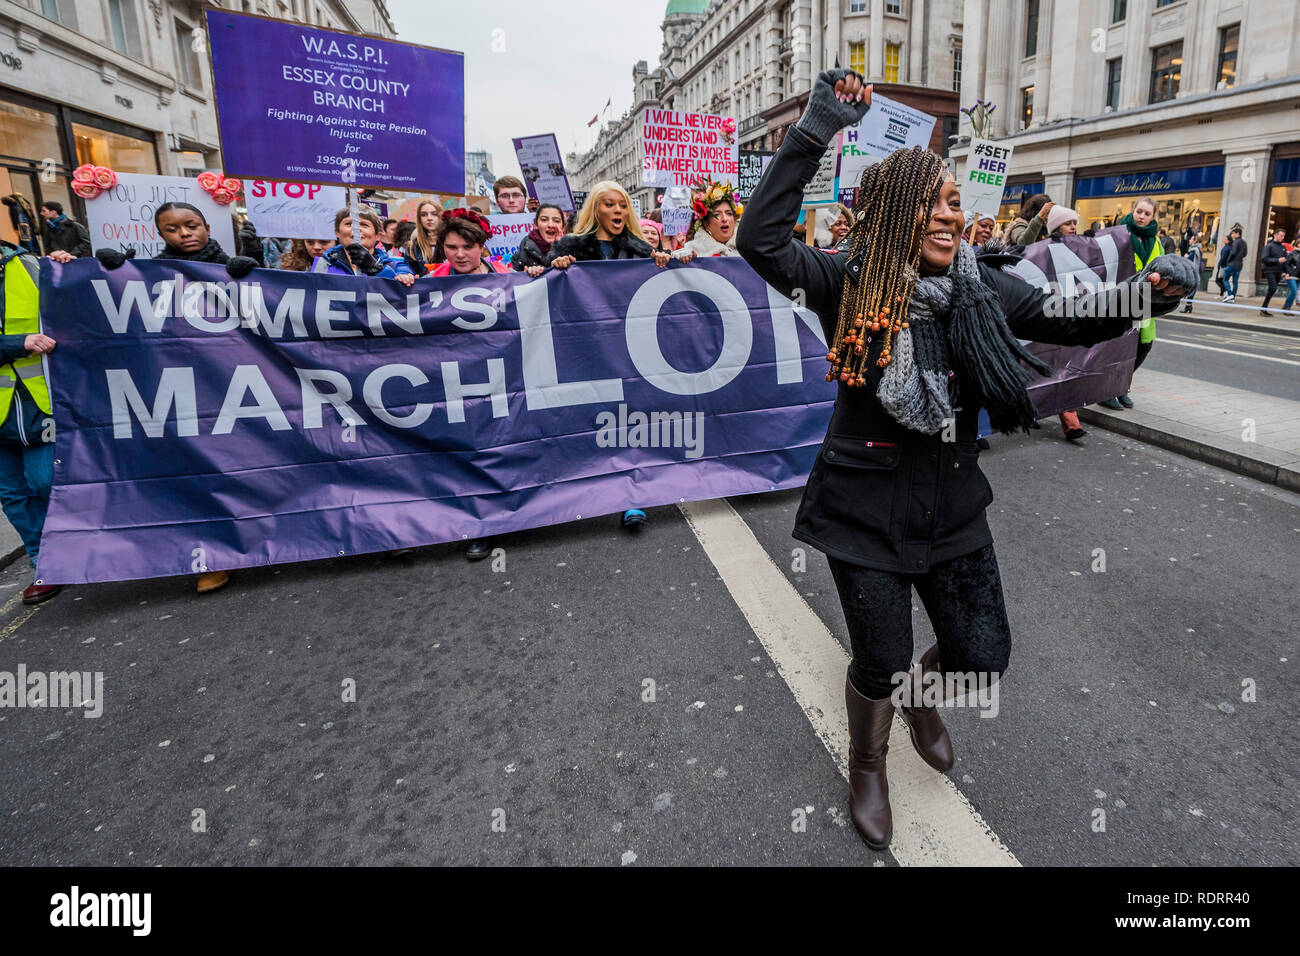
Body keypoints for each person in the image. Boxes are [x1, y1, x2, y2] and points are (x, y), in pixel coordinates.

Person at [737, 68, 1195, 852]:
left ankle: (924, 696)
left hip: (953, 509)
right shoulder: (848, 279)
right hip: (862, 513)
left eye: (956, 201)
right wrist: (815, 129)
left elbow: (1070, 318)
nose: (954, 213)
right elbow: (761, 242)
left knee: (982, 656)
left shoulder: (983, 287)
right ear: (894, 212)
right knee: (876, 659)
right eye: (938, 201)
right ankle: (869, 762)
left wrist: (1145, 295)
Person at [92, 201, 259, 593]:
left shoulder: (233, 267)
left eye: (192, 225)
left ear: (205, 226)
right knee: (200, 473)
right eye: (172, 229)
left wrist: (253, 272)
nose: (184, 234)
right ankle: (214, 557)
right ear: (160, 233)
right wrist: (105, 273)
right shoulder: (148, 276)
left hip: (239, 383)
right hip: (189, 390)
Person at [546, 182, 672, 531]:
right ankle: (589, 489)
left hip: (629, 349)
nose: (617, 211)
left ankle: (633, 497)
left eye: (622, 205)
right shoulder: (569, 247)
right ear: (595, 210)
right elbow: (537, 286)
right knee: (593, 422)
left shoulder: (638, 248)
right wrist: (554, 268)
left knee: (630, 421)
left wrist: (661, 260)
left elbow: (659, 285)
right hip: (585, 349)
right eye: (608, 205)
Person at [0, 239, 60, 604]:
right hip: (3, 415)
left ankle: (78, 550)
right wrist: (17, 343)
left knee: (46, 481)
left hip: (43, 404)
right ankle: (46, 565)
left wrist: (66, 267)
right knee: (13, 495)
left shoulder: (30, 266)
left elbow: (73, 304)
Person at [1099, 196, 1164, 410]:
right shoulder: (1119, 234)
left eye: (1147, 214)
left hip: (1145, 300)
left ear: (1153, 217)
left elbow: (1161, 265)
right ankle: (1106, 391)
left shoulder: (1155, 240)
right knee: (1117, 347)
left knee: (1143, 346)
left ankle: (1122, 386)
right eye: (1139, 212)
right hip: (1121, 297)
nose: (1141, 216)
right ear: (1132, 211)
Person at [1046, 206, 1086, 440]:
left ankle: (1071, 421)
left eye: (1074, 222)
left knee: (1066, 365)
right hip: (1047, 314)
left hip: (1072, 314)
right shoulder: (1042, 251)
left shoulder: (1080, 248)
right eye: (1067, 222)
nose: (1073, 226)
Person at [312, 208, 416, 286]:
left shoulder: (397, 264)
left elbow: (402, 294)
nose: (357, 229)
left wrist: (375, 269)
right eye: (349, 224)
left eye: (364, 225)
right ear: (337, 232)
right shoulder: (322, 263)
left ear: (378, 235)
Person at [428, 208, 512, 278]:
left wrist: (525, 279)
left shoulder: (507, 273)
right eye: (452, 247)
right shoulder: (432, 280)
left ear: (481, 247)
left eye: (467, 247)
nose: (460, 255)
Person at [674, 180, 743, 260]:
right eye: (717, 214)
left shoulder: (748, 247)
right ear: (706, 223)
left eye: (729, 213)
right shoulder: (691, 251)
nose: (724, 219)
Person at [512, 203, 568, 276]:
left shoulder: (573, 252)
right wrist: (526, 275)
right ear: (536, 224)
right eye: (544, 220)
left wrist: (560, 248)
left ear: (563, 227)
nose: (550, 225)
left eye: (556, 221)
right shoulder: (520, 254)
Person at [404, 199, 442, 275]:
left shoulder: (451, 243)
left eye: (434, 214)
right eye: (424, 215)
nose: (429, 218)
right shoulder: (412, 247)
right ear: (419, 219)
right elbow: (408, 270)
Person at [1260, 227, 1289, 317]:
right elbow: (1264, 259)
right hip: (1269, 270)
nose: (1282, 237)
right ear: (1275, 235)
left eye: (1283, 236)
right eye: (1281, 235)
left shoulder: (1283, 247)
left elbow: (1285, 261)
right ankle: (1263, 308)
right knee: (1273, 288)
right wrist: (1277, 260)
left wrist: (1287, 272)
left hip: (1278, 271)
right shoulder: (1269, 246)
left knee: (1272, 289)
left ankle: (1263, 309)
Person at [1220, 226, 1247, 303]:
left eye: (1233, 233)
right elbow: (1245, 254)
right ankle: (1233, 297)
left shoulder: (1236, 242)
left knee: (1225, 279)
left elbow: (1233, 252)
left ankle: (1229, 294)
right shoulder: (1244, 242)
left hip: (1232, 264)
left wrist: (1229, 260)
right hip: (1239, 264)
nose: (1232, 235)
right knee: (1235, 281)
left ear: (1237, 233)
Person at [1182, 232, 1203, 313]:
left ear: (1195, 241)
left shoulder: (1194, 250)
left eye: (1191, 239)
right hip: (1194, 272)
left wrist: (1186, 257)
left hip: (1193, 272)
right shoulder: (1196, 249)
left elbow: (1190, 260)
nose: (1189, 240)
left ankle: (1188, 307)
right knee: (1191, 289)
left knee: (1190, 289)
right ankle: (1188, 307)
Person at [1283, 237, 1300, 312]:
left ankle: (1286, 306)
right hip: (1291, 275)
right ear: (1298, 244)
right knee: (1294, 292)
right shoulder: (1292, 253)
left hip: (1299, 276)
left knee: (1293, 292)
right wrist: (1287, 273)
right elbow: (1286, 264)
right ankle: (1287, 307)